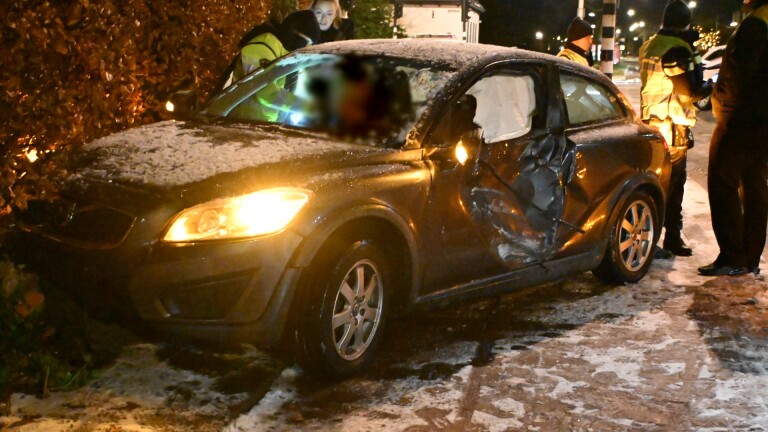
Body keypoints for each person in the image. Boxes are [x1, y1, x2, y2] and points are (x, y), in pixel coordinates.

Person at [698, 0, 768, 276]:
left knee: (721, 181)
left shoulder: (755, 26)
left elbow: (742, 75)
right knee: (754, 184)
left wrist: (724, 104)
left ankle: (732, 255)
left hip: (740, 120)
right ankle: (750, 256)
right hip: (761, 123)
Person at [639, 0, 711, 259]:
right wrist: (710, 88)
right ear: (686, 23)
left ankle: (652, 239)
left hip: (651, 122)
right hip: (672, 125)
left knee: (657, 183)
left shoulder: (649, 45)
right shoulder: (678, 49)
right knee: (673, 186)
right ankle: (668, 239)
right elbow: (690, 91)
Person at [232, 10, 321, 82]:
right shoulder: (265, 47)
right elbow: (266, 93)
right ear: (292, 32)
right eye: (307, 42)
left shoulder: (282, 53)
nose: (306, 48)